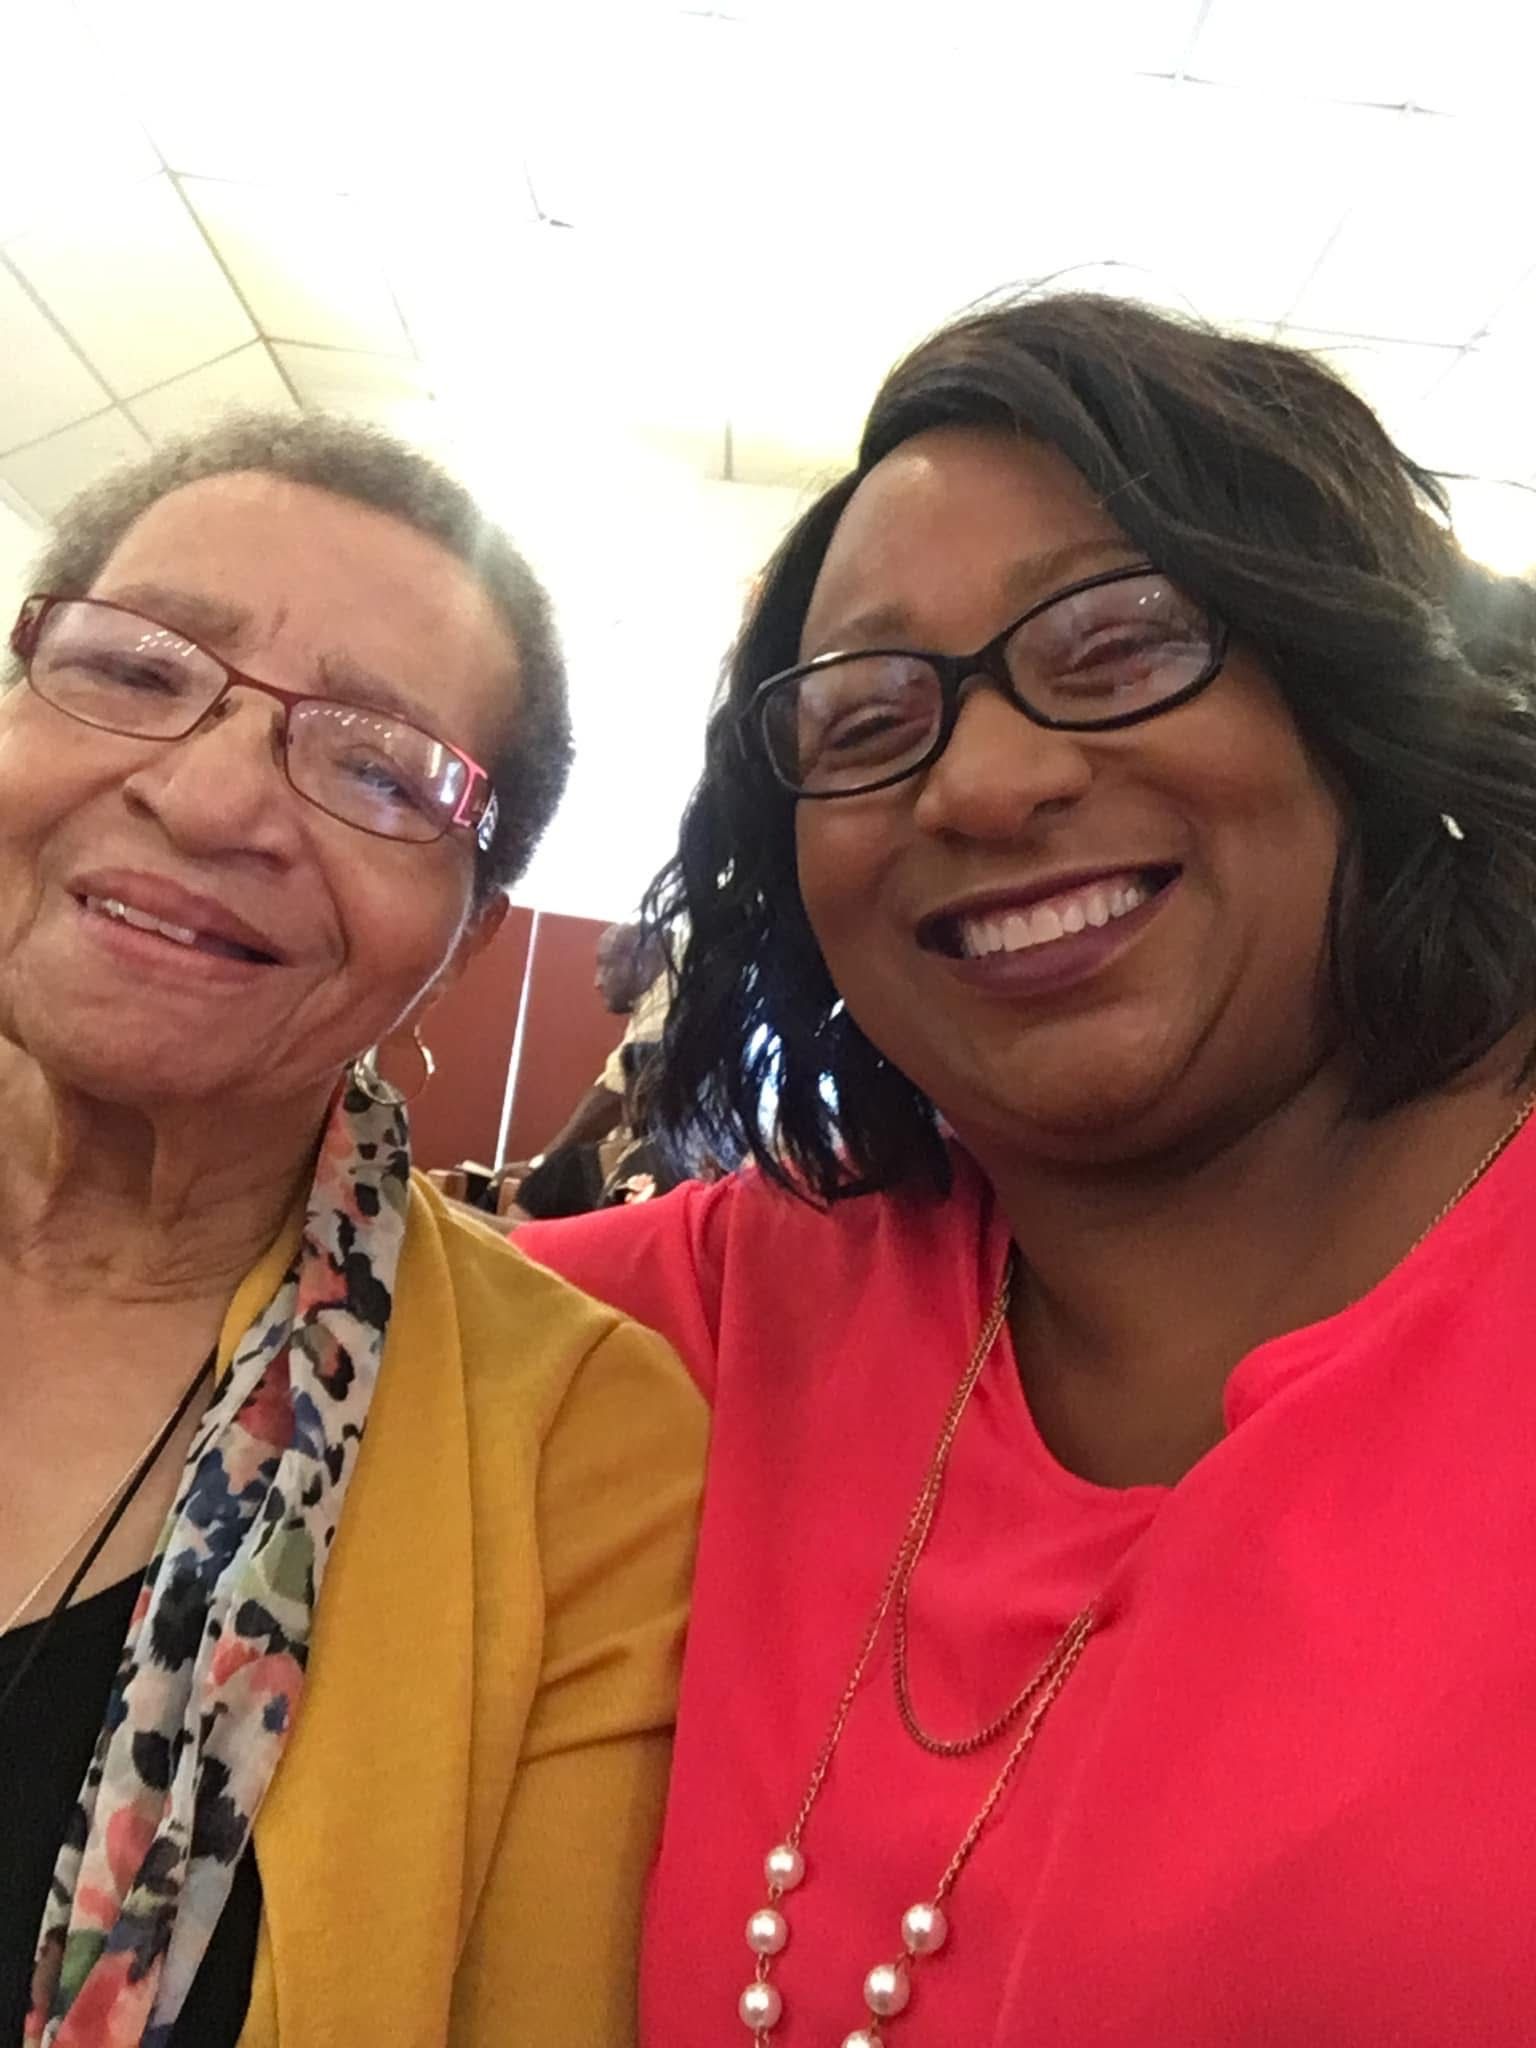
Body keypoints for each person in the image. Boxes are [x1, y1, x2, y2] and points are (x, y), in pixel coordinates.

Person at [518, 292, 1536, 2045]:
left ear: (1359, 695)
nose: (982, 785)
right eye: (863, 723)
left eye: (1118, 643)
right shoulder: (728, 1313)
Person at [0, 413, 705, 2048]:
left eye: (384, 769)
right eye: (136, 668)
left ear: (467, 938)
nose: (205, 797)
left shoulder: (577, 1453)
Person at [516, 922, 673, 1216]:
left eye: (607, 965)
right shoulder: (652, 999)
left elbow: (611, 1097)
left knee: (550, 1182)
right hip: (656, 1159)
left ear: (645, 958)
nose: (597, 982)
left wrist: (542, 1163)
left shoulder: (669, 999)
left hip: (663, 1165)